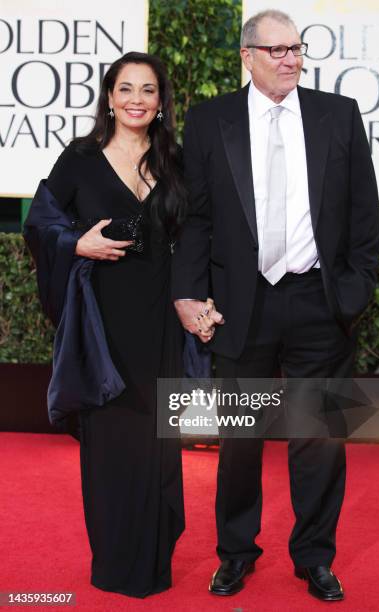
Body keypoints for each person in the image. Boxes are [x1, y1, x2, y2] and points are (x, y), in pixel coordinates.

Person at [172, 10, 379, 602]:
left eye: (297, 48)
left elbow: (364, 213)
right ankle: (236, 553)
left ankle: (315, 557)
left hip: (320, 301)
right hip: (242, 305)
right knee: (240, 439)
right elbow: (197, 220)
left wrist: (355, 289)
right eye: (277, 50)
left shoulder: (336, 115)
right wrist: (187, 293)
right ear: (247, 55)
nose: (291, 59)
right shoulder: (210, 120)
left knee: (320, 437)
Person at [28, 52, 188, 598]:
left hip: (163, 321)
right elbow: (40, 219)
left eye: (148, 90)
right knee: (113, 438)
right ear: (110, 97)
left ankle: (153, 560)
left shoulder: (175, 161)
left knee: (157, 441)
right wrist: (77, 242)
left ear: (161, 100)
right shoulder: (81, 156)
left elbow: (197, 235)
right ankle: (115, 562)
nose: (137, 100)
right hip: (102, 322)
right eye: (126, 89)